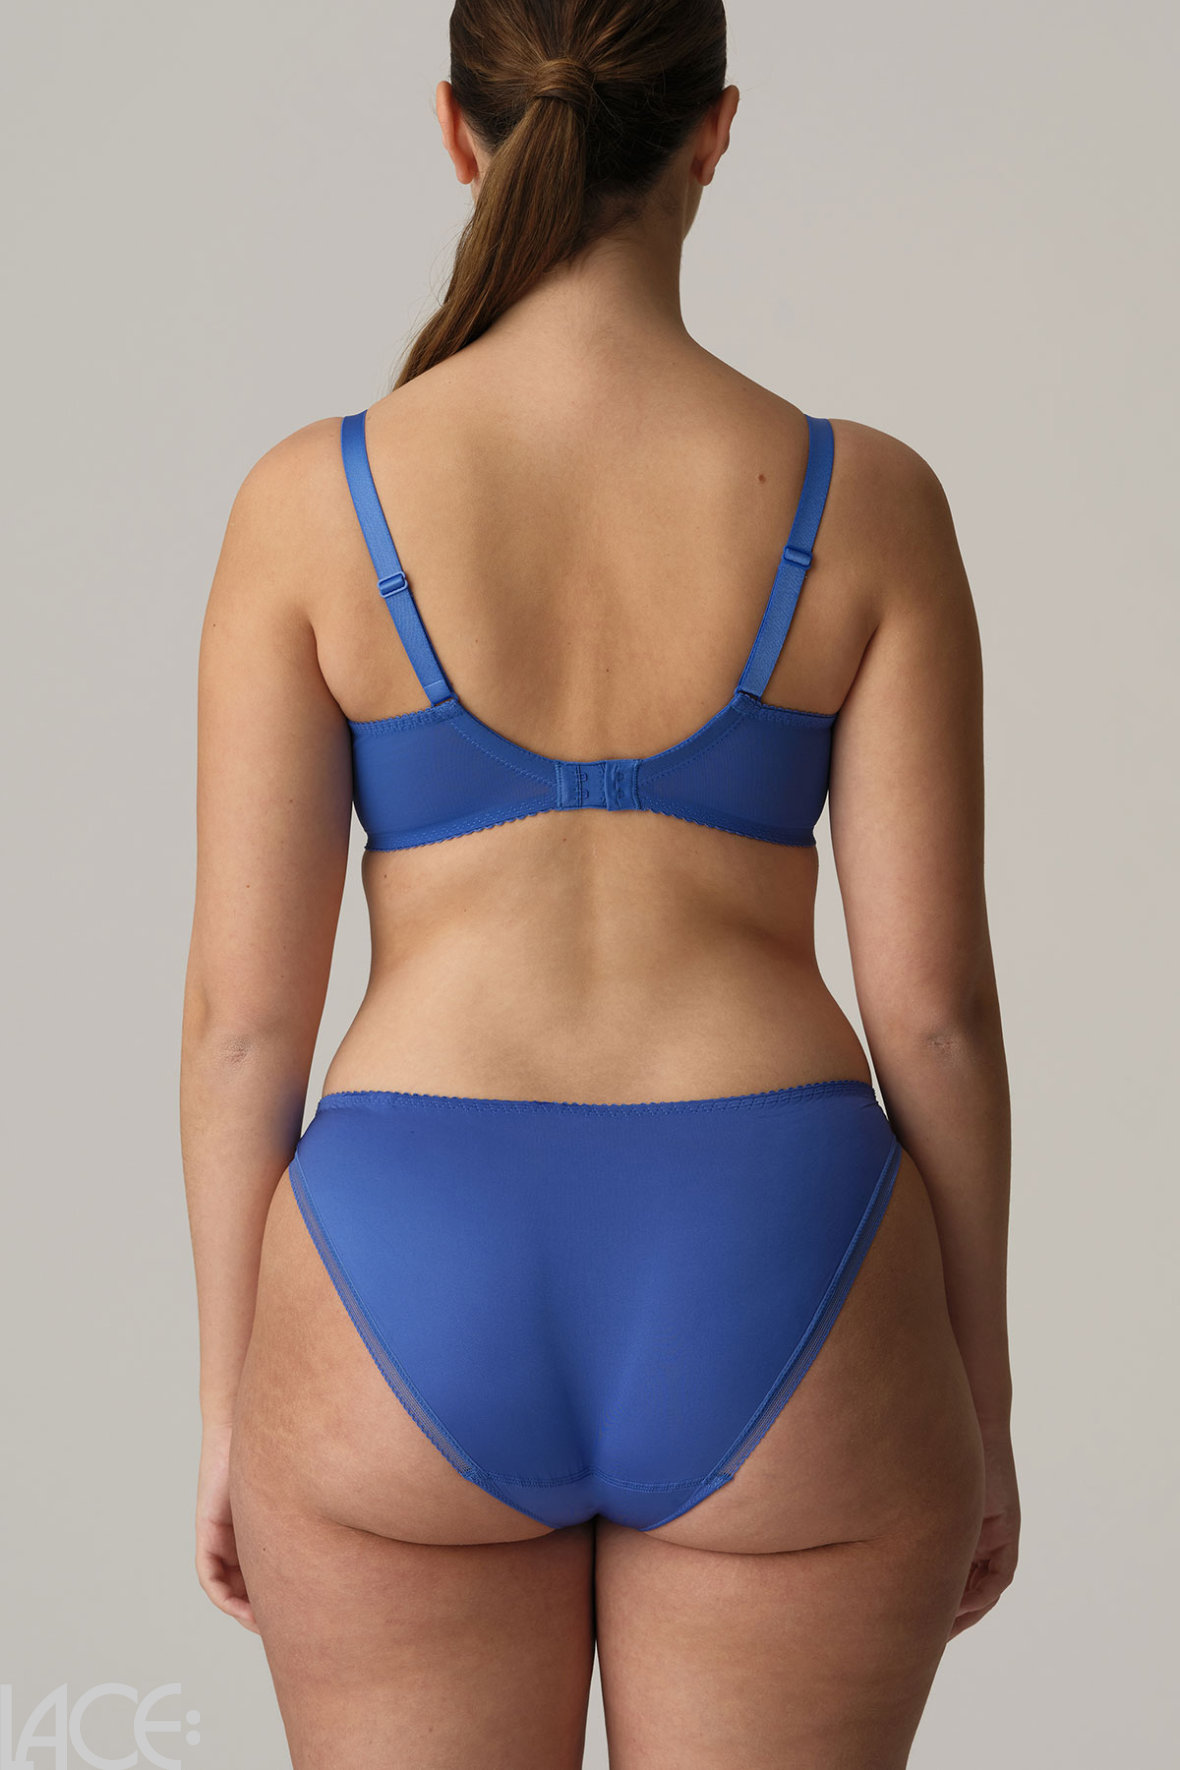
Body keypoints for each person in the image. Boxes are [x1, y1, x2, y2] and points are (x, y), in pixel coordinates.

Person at [179, 2, 1018, 1763]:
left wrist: (230, 1405)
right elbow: (934, 1015)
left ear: (457, 129)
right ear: (715, 129)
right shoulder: (867, 502)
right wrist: (975, 1383)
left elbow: (244, 1028)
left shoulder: (314, 503)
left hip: (407, 1264)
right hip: (780, 1255)